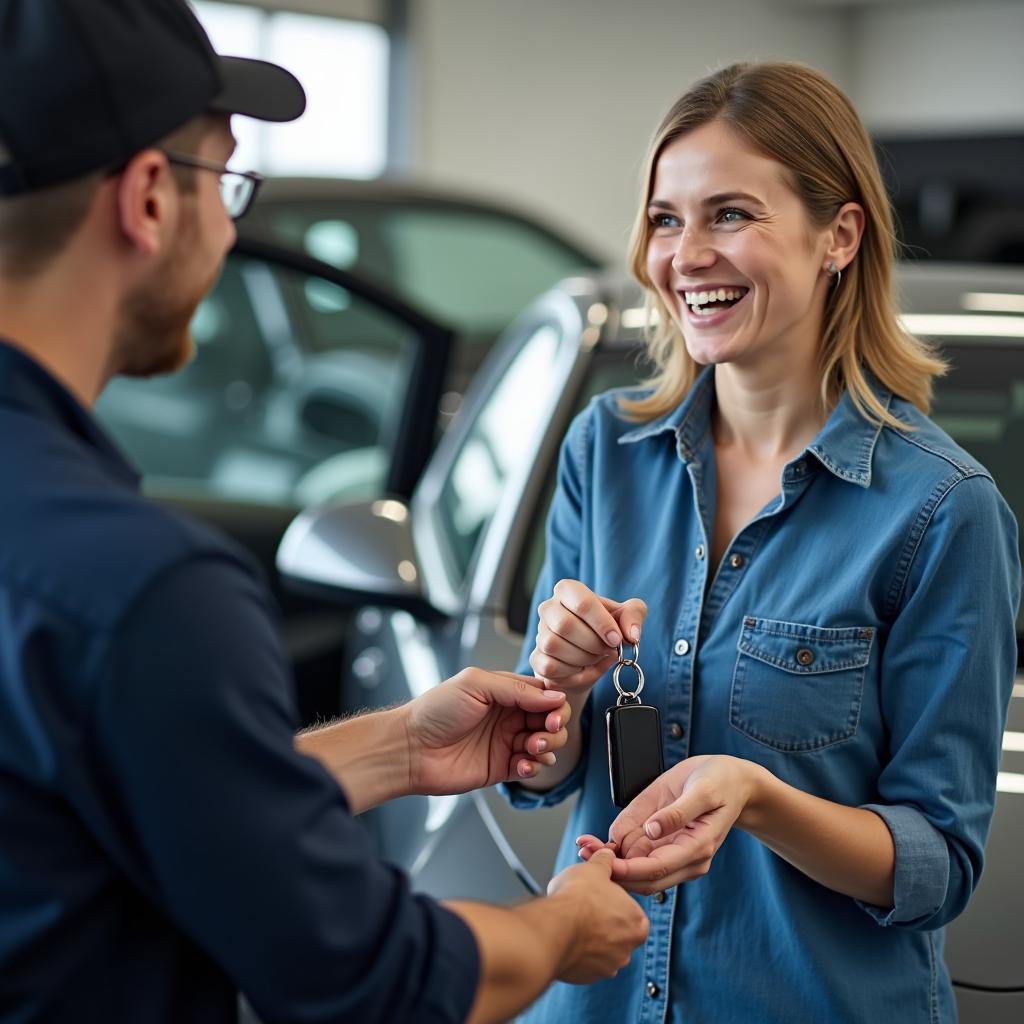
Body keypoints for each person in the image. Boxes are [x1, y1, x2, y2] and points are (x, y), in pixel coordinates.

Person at [0, 2, 649, 1022]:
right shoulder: (144, 590)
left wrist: (395, 748)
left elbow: (116, 798)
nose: (230, 227)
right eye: (228, 183)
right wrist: (562, 927)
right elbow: (365, 974)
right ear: (147, 202)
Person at [505, 61, 1021, 1023]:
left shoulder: (946, 512)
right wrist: (560, 689)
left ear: (840, 234)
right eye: (666, 219)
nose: (687, 254)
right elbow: (545, 776)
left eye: (730, 215)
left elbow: (937, 865)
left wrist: (762, 799)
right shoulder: (603, 451)